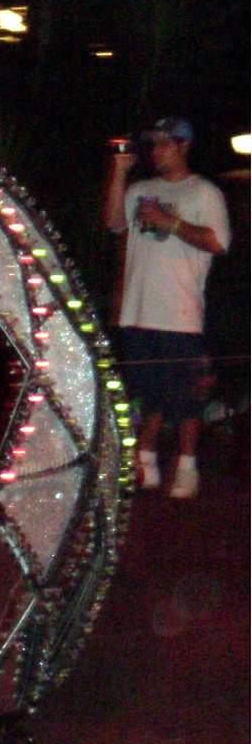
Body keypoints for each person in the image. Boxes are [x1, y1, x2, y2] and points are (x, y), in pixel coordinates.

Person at [103, 117, 231, 499]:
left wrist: (170, 222)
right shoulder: (140, 189)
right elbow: (113, 223)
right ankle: (146, 465)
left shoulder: (203, 192)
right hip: (138, 311)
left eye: (164, 143)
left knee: (185, 397)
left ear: (183, 145)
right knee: (147, 393)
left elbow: (218, 242)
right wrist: (119, 173)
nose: (155, 150)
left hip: (180, 313)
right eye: (153, 143)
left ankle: (187, 467)